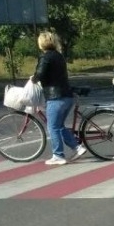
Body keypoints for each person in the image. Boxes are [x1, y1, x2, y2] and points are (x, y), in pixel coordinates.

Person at [30, 31, 84, 165]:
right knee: (59, 126)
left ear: (41, 43)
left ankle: (58, 155)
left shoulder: (45, 57)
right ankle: (77, 147)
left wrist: (34, 78)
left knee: (52, 127)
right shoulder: (59, 56)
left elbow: (41, 73)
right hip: (66, 96)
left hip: (55, 97)